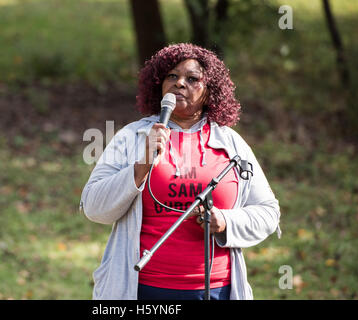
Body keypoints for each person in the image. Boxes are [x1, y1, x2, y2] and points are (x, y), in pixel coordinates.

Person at [80, 43, 281, 300]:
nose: (179, 83)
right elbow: (94, 206)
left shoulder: (231, 144)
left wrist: (225, 222)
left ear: (210, 92)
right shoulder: (132, 137)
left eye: (192, 78)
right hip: (142, 289)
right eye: (172, 76)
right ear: (159, 86)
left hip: (215, 290)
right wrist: (140, 167)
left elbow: (268, 213)